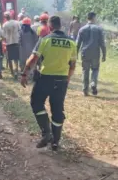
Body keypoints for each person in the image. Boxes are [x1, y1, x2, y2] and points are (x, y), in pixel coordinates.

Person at [20, 16, 76, 151]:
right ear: (60, 26)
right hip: (61, 80)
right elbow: (72, 65)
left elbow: (33, 58)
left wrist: (24, 74)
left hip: (45, 79)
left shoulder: (45, 40)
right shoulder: (71, 42)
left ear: (50, 27)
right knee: (57, 110)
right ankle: (56, 142)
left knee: (36, 103)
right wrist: (66, 80)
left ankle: (46, 133)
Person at [77, 12, 106, 96]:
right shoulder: (98, 29)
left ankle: (85, 89)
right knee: (95, 69)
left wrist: (75, 54)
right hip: (95, 53)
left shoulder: (82, 29)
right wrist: (104, 54)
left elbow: (78, 44)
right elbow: (102, 44)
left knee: (85, 70)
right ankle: (93, 83)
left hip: (85, 52)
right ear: (93, 18)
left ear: (87, 18)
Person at [3, 11, 21, 79]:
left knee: (9, 58)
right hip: (16, 42)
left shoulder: (4, 25)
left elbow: (4, 36)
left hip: (9, 43)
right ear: (11, 16)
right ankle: (16, 71)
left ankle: (12, 72)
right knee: (16, 59)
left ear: (5, 17)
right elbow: (20, 31)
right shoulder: (16, 22)